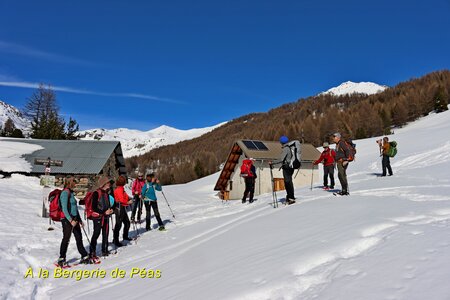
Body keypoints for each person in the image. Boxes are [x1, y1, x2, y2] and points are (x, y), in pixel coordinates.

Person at [57, 176, 90, 267]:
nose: (75, 184)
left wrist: (79, 220)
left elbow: (74, 208)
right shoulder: (65, 193)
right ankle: (61, 258)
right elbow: (64, 208)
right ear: (69, 183)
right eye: (74, 182)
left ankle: (84, 255)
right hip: (67, 220)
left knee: (79, 237)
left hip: (74, 219)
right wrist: (70, 220)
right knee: (66, 239)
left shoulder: (71, 193)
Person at [90, 176, 114, 258]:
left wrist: (110, 210)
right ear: (103, 184)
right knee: (96, 234)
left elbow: (107, 205)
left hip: (105, 216)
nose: (109, 184)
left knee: (106, 234)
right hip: (98, 217)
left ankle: (105, 250)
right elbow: (94, 207)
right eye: (108, 183)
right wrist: (104, 212)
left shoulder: (106, 193)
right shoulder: (96, 193)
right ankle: (92, 252)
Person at [269, 135, 296, 205]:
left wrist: (272, 162)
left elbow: (281, 159)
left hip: (287, 167)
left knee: (287, 182)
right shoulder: (289, 147)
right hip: (291, 167)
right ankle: (290, 196)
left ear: (281, 142)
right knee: (289, 182)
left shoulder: (285, 149)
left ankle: (291, 197)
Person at [113, 175, 133, 247]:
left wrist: (130, 199)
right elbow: (121, 200)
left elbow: (126, 196)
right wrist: (128, 202)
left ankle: (125, 236)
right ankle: (116, 240)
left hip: (122, 208)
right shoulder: (119, 189)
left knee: (127, 223)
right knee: (118, 224)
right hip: (119, 208)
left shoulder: (121, 188)